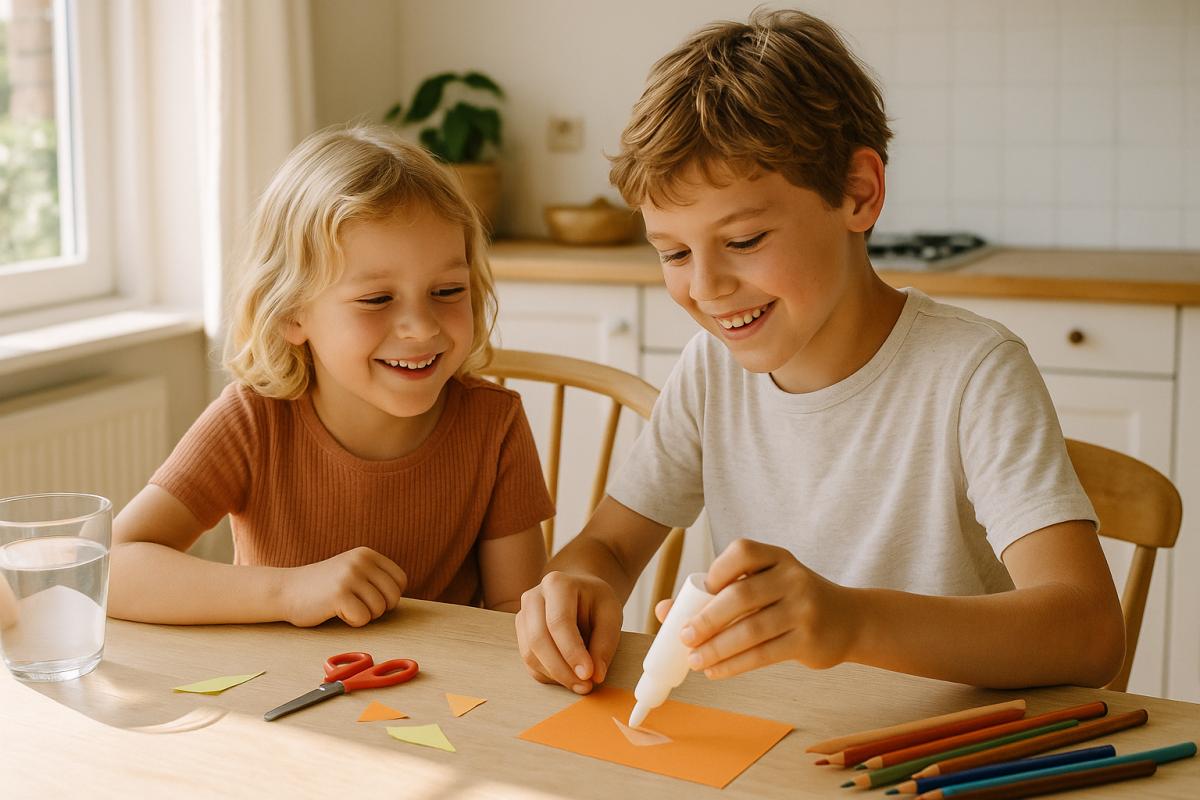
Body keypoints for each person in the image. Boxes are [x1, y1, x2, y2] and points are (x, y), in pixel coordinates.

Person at [516, 9, 1124, 694]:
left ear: (858, 193)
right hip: (777, 735)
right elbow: (607, 547)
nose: (707, 287)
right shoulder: (711, 371)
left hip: (941, 744)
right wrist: (574, 587)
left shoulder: (973, 373)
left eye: (744, 241)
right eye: (675, 253)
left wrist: (850, 623)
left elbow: (1089, 633)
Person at [110, 124, 553, 627]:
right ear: (290, 313)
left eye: (448, 291)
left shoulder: (495, 423)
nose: (422, 327)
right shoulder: (252, 421)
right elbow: (112, 569)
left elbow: (515, 617)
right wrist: (288, 591)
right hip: (274, 678)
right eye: (377, 299)